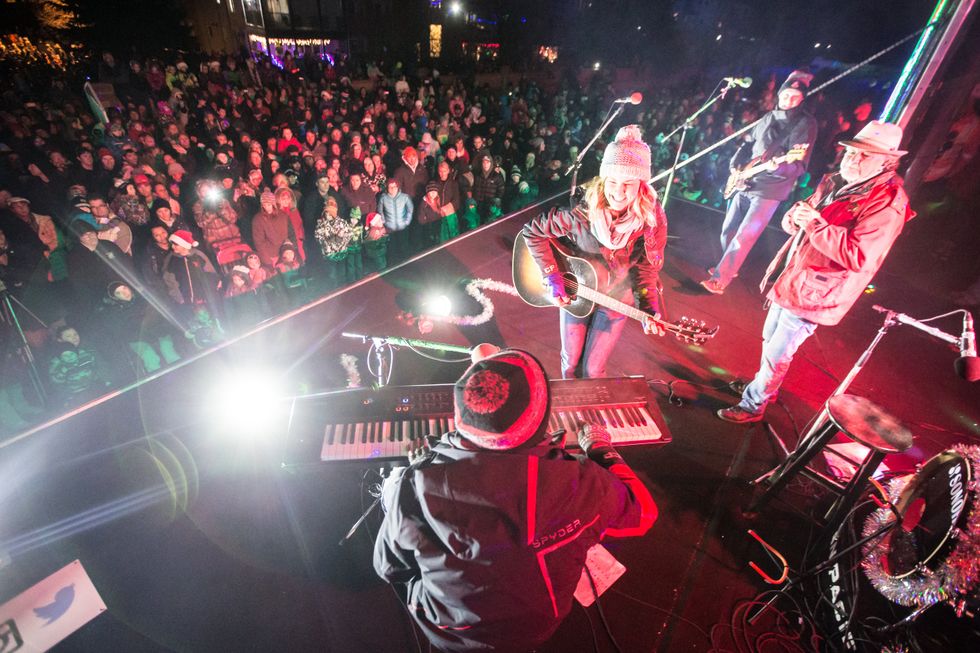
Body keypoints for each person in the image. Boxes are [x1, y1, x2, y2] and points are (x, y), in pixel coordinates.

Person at [373, 346, 657, 653]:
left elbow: (388, 568)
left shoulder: (413, 487)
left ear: (459, 416)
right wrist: (602, 449)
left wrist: (407, 481)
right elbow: (642, 514)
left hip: (451, 632)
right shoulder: (583, 484)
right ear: (542, 419)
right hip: (537, 628)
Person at [717, 121, 915, 423]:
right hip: (795, 276)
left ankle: (753, 406)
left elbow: (858, 255)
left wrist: (814, 224)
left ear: (887, 162)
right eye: (852, 151)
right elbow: (801, 216)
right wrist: (794, 219)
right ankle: (764, 388)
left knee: (778, 351)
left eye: (865, 156)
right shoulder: (837, 180)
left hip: (818, 291)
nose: (853, 159)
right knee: (770, 339)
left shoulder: (887, 203)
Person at [522, 125, 668, 379]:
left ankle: (589, 416)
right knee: (570, 363)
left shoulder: (651, 218)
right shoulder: (582, 212)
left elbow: (647, 267)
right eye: (612, 181)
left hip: (617, 299)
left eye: (628, 184)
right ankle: (571, 412)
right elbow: (533, 232)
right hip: (578, 290)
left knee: (593, 369)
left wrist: (648, 305)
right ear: (603, 179)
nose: (618, 192)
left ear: (642, 185)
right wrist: (553, 276)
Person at [701, 71, 818, 295]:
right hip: (745, 180)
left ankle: (720, 279)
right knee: (728, 230)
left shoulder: (805, 124)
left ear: (802, 99)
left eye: (795, 97)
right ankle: (728, 268)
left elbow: (799, 166)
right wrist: (735, 166)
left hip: (769, 190)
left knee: (745, 236)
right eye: (786, 95)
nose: (789, 100)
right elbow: (748, 144)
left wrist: (779, 166)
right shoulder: (767, 117)